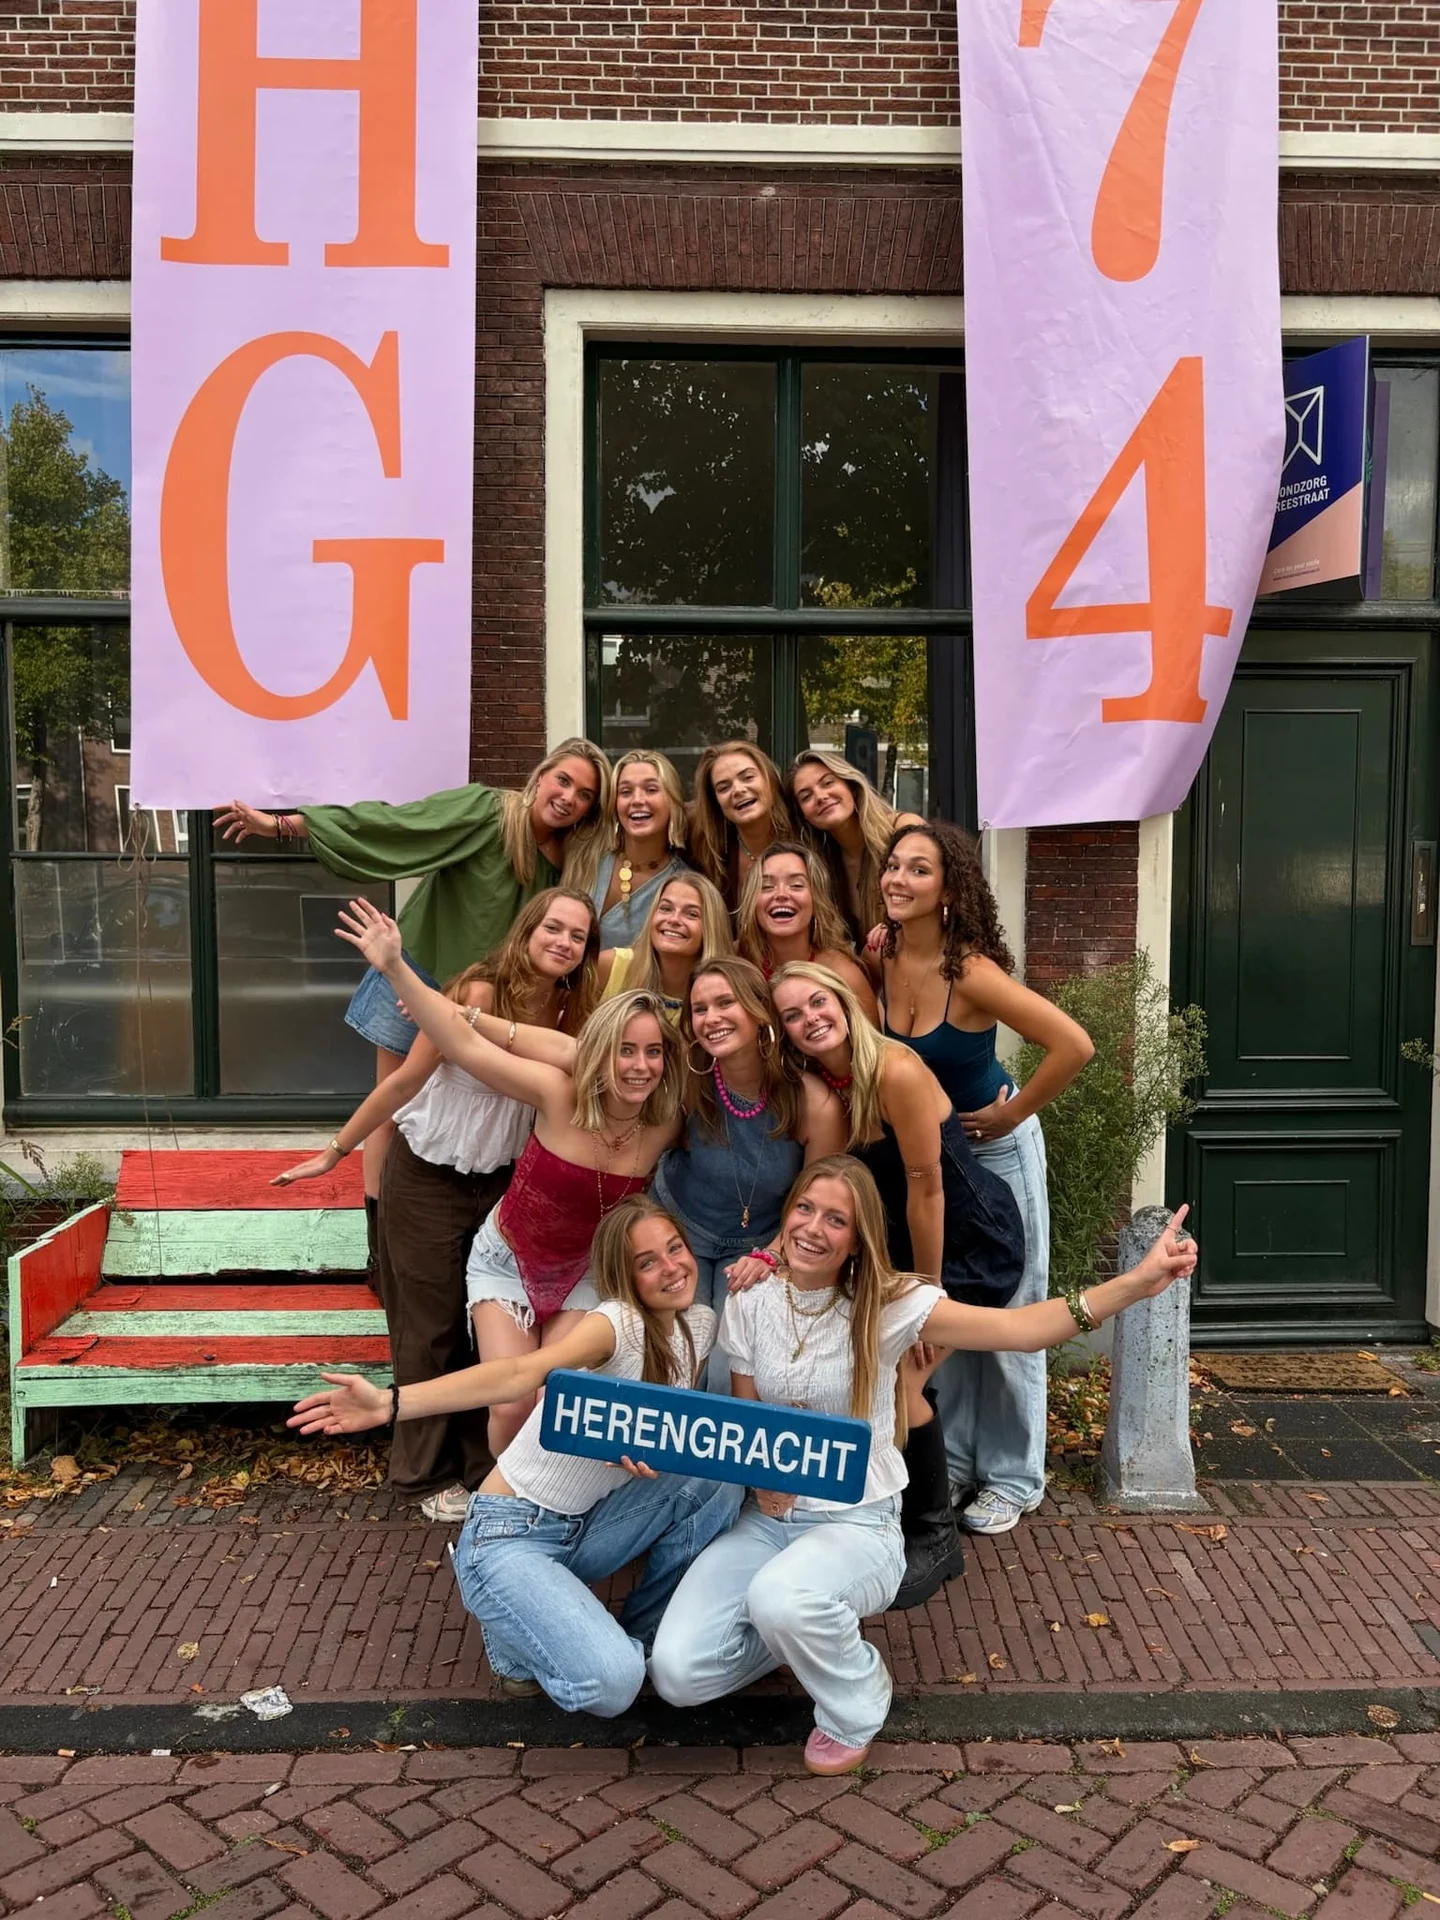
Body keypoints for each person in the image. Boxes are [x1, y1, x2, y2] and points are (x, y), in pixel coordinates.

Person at [649, 1157, 1196, 1775]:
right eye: (805, 1209)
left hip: (857, 1522)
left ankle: (856, 1697)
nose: (813, 1228)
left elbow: (1019, 1329)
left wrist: (1134, 1284)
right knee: (678, 1673)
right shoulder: (751, 1299)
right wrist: (760, 1477)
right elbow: (752, 1420)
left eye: (837, 1220)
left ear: (857, 1239)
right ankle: (797, 1637)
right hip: (769, 1521)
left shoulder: (887, 1303)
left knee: (783, 1598)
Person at [289, 1196, 743, 1718]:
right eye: (647, 1262)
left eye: (674, 1249)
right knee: (612, 1688)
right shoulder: (615, 1324)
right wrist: (392, 1403)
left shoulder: (700, 1325)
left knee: (717, 1482)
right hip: (512, 1530)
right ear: (625, 1278)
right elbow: (514, 1376)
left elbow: (675, 1434)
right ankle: (508, 1617)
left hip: (589, 1522)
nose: (671, 1268)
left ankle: (642, 1635)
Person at [273, 888, 602, 1521]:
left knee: (486, 1327)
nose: (562, 942)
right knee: (428, 1327)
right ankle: (423, 1474)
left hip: (503, 1183)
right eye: (552, 928)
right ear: (527, 930)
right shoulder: (477, 993)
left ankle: (483, 1466)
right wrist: (335, 1151)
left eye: (577, 936)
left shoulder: (570, 1015)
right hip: (428, 1175)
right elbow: (403, 1080)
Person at [214, 740, 611, 1254]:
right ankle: (380, 1247)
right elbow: (398, 826)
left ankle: (468, 1245)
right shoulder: (488, 811)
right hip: (419, 975)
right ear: (540, 776)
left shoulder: (572, 860)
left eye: (583, 794)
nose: (568, 797)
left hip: (485, 1005)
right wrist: (286, 826)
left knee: (485, 1118)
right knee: (394, 1110)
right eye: (563, 780)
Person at [333, 898, 684, 1458]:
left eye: (652, 1053)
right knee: (508, 1398)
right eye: (624, 1052)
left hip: (584, 1267)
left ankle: (540, 1501)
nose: (638, 1065)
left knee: (555, 1397)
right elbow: (461, 1044)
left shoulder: (665, 1118)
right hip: (504, 1253)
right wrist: (396, 967)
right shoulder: (558, 1087)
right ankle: (495, 1502)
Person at [769, 961, 1025, 1604]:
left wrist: (928, 1298)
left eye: (817, 1003)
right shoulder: (826, 1081)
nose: (809, 1020)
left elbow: (928, 1188)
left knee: (904, 1375)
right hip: (901, 1248)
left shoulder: (895, 1069)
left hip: (969, 1241)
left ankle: (935, 1538)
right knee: (875, 1375)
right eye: (792, 1016)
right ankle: (883, 1514)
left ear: (844, 1001)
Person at [878, 822, 1094, 1536]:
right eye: (893, 867)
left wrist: (1013, 1115)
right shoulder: (878, 954)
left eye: (919, 870)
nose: (900, 880)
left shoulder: (969, 971)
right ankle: (965, 1461)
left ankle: (1015, 1477)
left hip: (994, 1152)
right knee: (955, 1313)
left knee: (1010, 1311)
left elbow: (1073, 1044)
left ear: (948, 889)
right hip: (933, 1157)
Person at [652, 958, 846, 1383]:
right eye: (700, 1009)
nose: (711, 1018)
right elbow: (649, 1148)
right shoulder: (688, 1077)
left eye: (726, 1003)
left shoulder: (814, 1104)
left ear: (760, 1013)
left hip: (759, 1243)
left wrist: (773, 1253)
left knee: (728, 1371)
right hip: (680, 1227)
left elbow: (818, 1201)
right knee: (680, 1360)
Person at [787, 749, 923, 943]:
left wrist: (896, 926)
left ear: (851, 786)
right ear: (803, 816)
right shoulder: (819, 864)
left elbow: (934, 902)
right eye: (806, 796)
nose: (820, 796)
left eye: (827, 783)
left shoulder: (903, 830)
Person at [736, 841, 879, 1023]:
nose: (781, 894)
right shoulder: (737, 962)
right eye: (766, 887)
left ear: (815, 899)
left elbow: (873, 1048)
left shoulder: (843, 974)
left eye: (796, 885)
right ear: (752, 902)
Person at [585, 750, 691, 949]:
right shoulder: (587, 860)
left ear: (672, 801)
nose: (637, 800)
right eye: (625, 792)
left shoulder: (685, 885)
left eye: (651, 790)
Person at [597, 871, 733, 1017]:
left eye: (691, 914)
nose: (674, 919)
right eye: (666, 908)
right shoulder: (609, 966)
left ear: (711, 928)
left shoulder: (729, 992)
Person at [689, 742, 794, 912]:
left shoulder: (806, 837)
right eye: (724, 788)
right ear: (715, 802)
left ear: (770, 780)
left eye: (748, 777)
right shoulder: (709, 853)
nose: (737, 790)